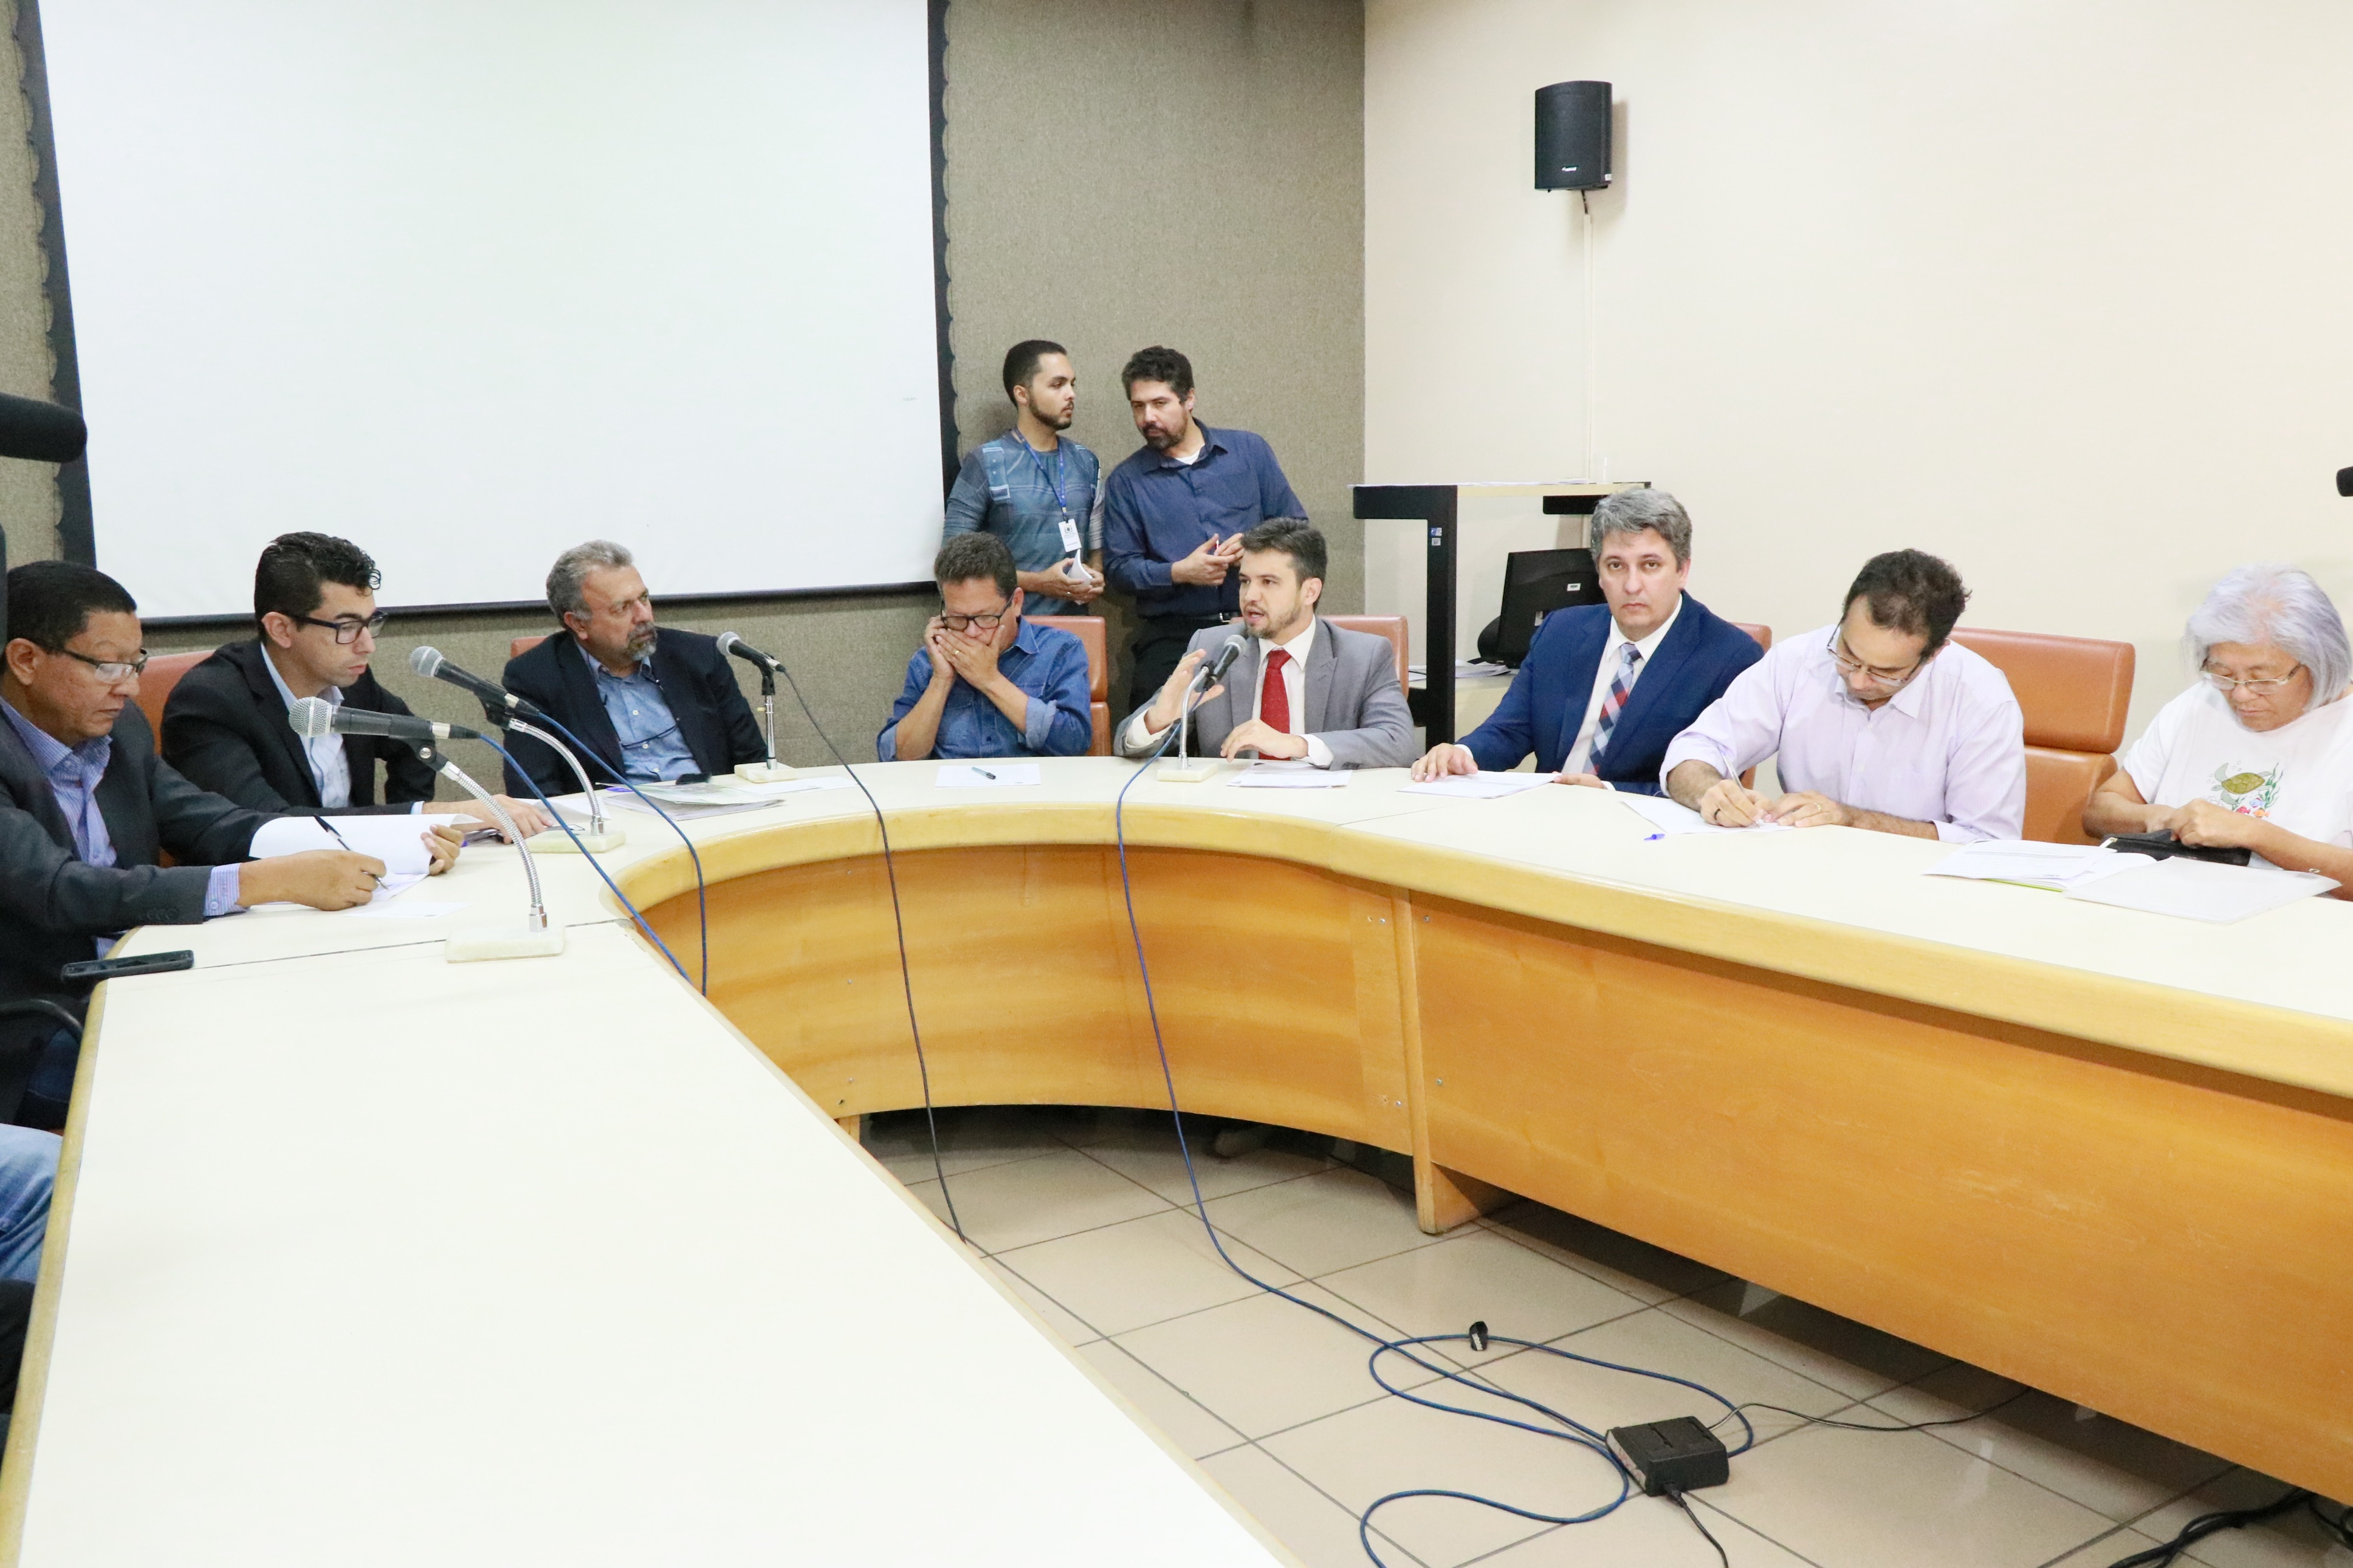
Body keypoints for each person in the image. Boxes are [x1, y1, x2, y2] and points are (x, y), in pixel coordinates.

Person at [1, 562, 424, 1126]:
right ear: (26, 660)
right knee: (244, 1078)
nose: (129, 687)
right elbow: (57, 889)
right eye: (108, 667)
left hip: (139, 985)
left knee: (327, 1019)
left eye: (135, 664)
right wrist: (257, 882)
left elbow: (210, 821)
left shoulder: (118, 729)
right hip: (34, 1028)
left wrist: (396, 838)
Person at [162, 532, 548, 835]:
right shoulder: (211, 703)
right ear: (281, 629)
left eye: (370, 623)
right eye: (347, 627)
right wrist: (427, 815)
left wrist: (416, 839)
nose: (367, 646)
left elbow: (416, 741)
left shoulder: (351, 681)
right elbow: (266, 827)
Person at [1409, 490, 1763, 793]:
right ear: (1599, 572)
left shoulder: (1728, 656)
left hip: (1643, 831)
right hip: (1547, 814)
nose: (1632, 585)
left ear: (1682, 570)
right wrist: (1462, 754)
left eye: (1650, 565)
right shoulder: (1561, 631)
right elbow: (1510, 730)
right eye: (1616, 566)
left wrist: (1608, 792)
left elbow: (1711, 788)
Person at [1662, 549, 2025, 841]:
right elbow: (1695, 748)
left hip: (1918, 888)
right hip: (1797, 875)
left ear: (1934, 654)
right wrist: (1710, 790)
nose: (1860, 681)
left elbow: (1987, 843)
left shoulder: (1982, 701)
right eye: (1848, 654)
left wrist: (1853, 820)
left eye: (1887, 672)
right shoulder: (1798, 661)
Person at [2084, 564, 2353, 886]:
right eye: (2223, 674)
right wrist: (2161, 819)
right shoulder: (2199, 703)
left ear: (2321, 662)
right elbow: (2100, 811)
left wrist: (2257, 835)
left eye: (2262, 679)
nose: (2240, 694)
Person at [1101, 346, 1305, 713]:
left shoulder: (1249, 452)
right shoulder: (1126, 481)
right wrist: (1179, 572)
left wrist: (1254, 550)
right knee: (1147, 730)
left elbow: (1298, 529)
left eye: (1160, 403)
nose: (1148, 417)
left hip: (1258, 624)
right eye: (1138, 406)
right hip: (1174, 634)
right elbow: (1118, 569)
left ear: (1189, 399)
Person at [1119, 519, 1414, 769]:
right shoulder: (1214, 649)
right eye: (1245, 581)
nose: (1250, 596)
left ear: (1310, 591)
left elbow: (1399, 743)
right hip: (1231, 812)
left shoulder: (1364, 656)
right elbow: (1127, 744)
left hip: (1324, 811)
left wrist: (1297, 744)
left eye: (1268, 582)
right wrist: (1156, 721)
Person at [500, 541, 767, 799]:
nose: (644, 616)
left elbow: (754, 762)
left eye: (644, 599)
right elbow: (534, 793)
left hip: (715, 812)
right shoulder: (535, 678)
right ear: (578, 623)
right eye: (622, 608)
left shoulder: (700, 657)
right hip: (617, 823)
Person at [879, 533, 1094, 762]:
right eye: (958, 618)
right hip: (953, 784)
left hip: (1034, 784)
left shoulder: (1061, 650)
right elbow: (897, 759)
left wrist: (990, 680)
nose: (972, 632)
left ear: (1016, 603)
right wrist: (941, 681)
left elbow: (1075, 743)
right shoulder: (929, 661)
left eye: (985, 617)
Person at [943, 340, 1106, 618]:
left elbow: (1097, 551)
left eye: (1072, 384)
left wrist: (1095, 576)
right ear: (1022, 394)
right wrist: (1039, 582)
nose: (1071, 394)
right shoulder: (987, 462)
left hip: (1075, 629)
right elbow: (952, 562)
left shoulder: (1085, 461)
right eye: (1057, 385)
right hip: (1006, 627)